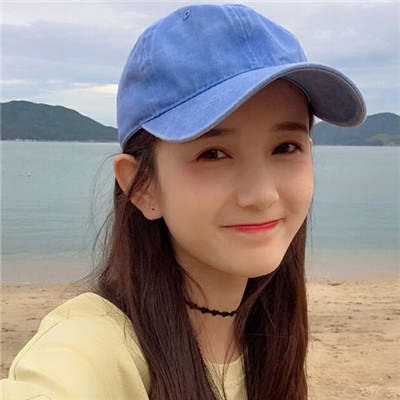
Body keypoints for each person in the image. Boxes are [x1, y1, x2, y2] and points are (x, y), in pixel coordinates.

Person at [1, 4, 366, 400]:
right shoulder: (93, 350)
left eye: (285, 147)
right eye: (213, 154)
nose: (262, 195)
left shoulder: (265, 331)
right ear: (142, 187)